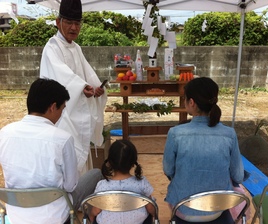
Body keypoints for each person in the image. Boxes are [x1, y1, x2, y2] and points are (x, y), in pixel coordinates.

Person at [0, 78, 103, 224]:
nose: (61, 114)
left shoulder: (5, 132)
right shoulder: (62, 138)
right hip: (54, 216)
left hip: (16, 214)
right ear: (53, 107)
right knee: (96, 174)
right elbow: (70, 185)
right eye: (62, 109)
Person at [39, 0, 107, 175]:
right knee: (67, 163)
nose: (73, 27)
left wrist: (96, 88)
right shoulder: (52, 48)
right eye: (69, 22)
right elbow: (60, 78)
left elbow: (87, 76)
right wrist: (82, 87)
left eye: (77, 23)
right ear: (58, 22)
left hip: (78, 110)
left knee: (81, 163)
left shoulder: (76, 48)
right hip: (61, 114)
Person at [163, 77, 244, 222]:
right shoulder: (229, 134)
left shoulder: (175, 133)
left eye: (185, 99)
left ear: (191, 102)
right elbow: (238, 176)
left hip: (183, 209)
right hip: (218, 209)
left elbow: (168, 171)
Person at [89, 139, 155, 224]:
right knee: (151, 207)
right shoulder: (142, 183)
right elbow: (151, 209)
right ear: (133, 162)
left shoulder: (102, 186)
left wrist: (91, 216)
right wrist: (154, 215)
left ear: (110, 162)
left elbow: (96, 210)